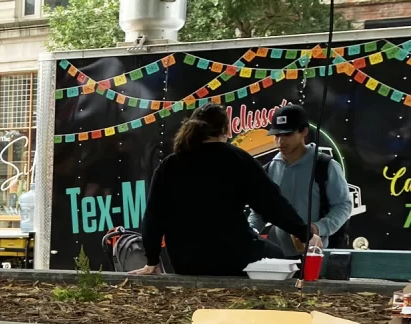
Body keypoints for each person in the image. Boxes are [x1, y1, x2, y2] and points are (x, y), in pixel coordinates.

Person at [133, 105, 320, 277]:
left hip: (185, 262)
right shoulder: (238, 159)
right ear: (225, 131)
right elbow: (272, 205)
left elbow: (153, 216)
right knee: (278, 256)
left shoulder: (170, 164)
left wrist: (152, 260)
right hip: (234, 258)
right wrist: (305, 233)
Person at [249, 104, 352, 257]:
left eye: (287, 134)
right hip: (277, 257)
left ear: (304, 131)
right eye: (276, 135)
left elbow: (343, 205)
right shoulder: (269, 170)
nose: (280, 141)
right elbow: (260, 212)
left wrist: (318, 228)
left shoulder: (325, 165)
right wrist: (251, 231)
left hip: (316, 254)